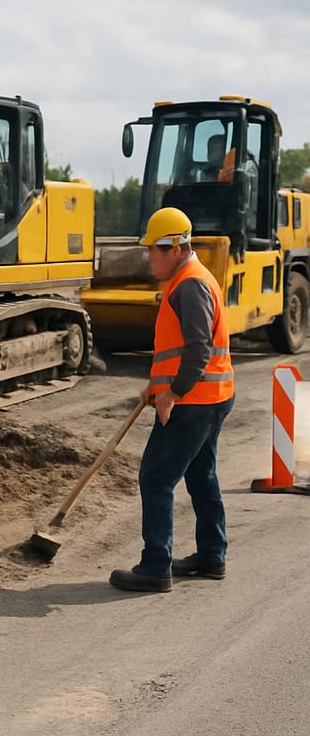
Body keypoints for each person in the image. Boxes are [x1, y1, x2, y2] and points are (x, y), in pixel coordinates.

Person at [109, 207, 234, 593]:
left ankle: (155, 567)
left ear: (176, 248)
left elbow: (198, 349)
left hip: (194, 401)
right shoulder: (190, 278)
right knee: (200, 476)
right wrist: (157, 384)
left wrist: (172, 393)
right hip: (210, 397)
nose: (149, 259)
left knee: (156, 477)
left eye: (154, 251)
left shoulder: (190, 285)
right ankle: (212, 556)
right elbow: (180, 349)